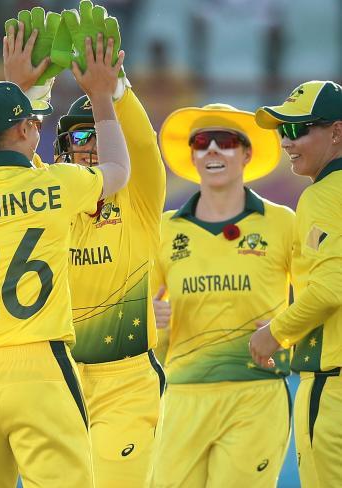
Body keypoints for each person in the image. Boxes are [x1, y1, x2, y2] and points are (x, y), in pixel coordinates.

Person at [0, 32, 128, 488]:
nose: (40, 129)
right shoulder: (59, 183)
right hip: (38, 362)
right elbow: (119, 170)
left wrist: (13, 90)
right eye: (35, 123)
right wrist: (101, 97)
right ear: (24, 130)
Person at [3, 13, 166, 485]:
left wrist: (110, 92)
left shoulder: (138, 198)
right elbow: (12, 164)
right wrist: (25, 93)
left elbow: (140, 143)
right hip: (57, 379)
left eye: (97, 133)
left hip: (127, 383)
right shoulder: (48, 194)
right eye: (78, 137)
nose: (90, 145)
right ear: (60, 149)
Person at [151, 103, 295, 487]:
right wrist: (151, 318)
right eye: (202, 142)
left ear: (247, 153)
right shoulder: (162, 230)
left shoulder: (283, 223)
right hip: (181, 397)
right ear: (193, 156)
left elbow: (321, 295)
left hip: (257, 394)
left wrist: (286, 333)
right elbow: (139, 316)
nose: (212, 150)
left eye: (226, 141)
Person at [250, 80, 342, 488]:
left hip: (333, 386)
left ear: (337, 132)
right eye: (282, 131)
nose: (286, 142)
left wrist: (275, 334)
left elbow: (330, 287)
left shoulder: (322, 195)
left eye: (297, 130)